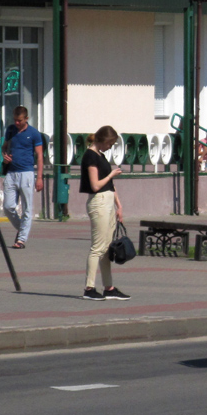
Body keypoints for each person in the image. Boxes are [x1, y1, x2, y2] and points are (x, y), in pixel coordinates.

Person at [80, 126, 130, 301]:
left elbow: (110, 185)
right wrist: (111, 174)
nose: (110, 147)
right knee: (97, 248)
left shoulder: (100, 156)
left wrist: (119, 205)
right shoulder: (90, 156)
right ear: (102, 140)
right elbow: (95, 185)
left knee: (107, 249)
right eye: (110, 144)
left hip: (108, 201)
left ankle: (109, 288)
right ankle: (89, 288)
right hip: (98, 202)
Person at [1, 105, 44, 249]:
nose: (16, 123)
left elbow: (39, 156)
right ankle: (21, 228)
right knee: (8, 206)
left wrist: (39, 177)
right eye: (15, 120)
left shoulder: (34, 133)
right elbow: (4, 147)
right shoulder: (11, 130)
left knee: (27, 208)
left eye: (19, 120)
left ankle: (21, 240)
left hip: (26, 173)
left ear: (26, 118)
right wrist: (4, 155)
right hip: (11, 172)